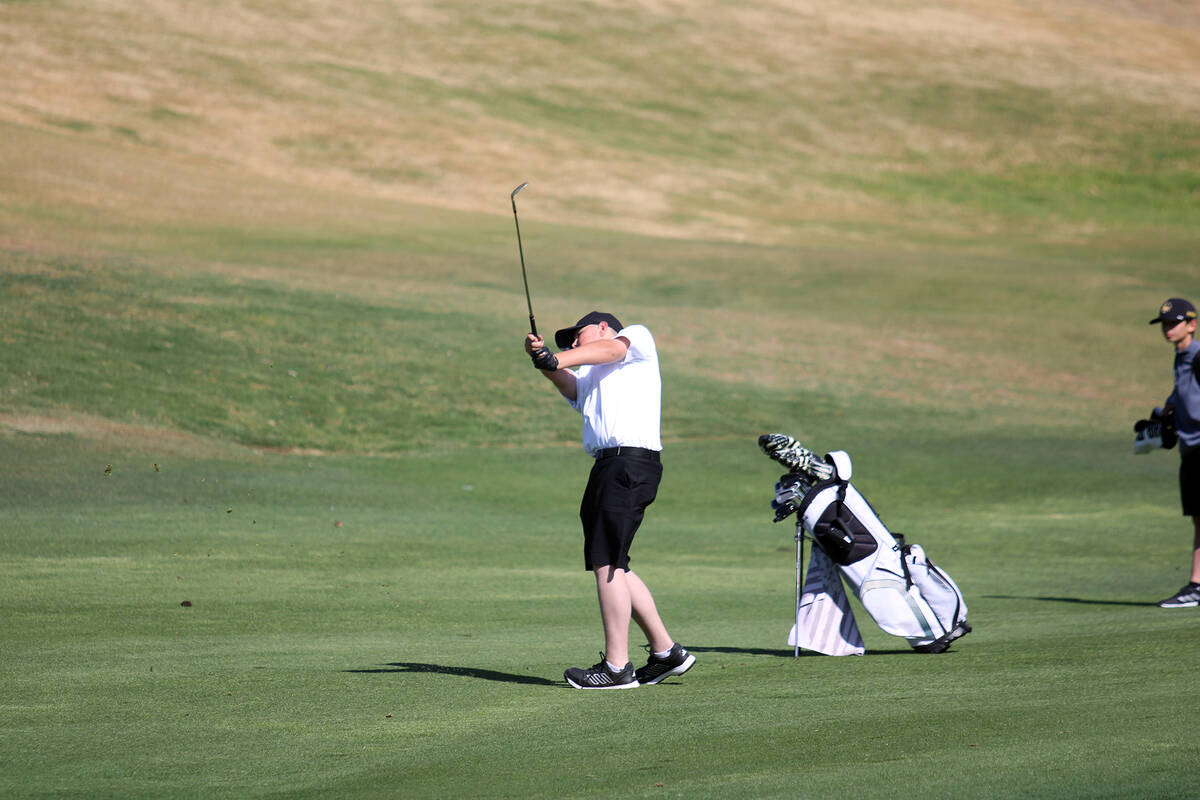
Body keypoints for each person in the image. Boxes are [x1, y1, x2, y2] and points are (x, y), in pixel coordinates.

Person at [524, 311, 695, 688]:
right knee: (615, 562)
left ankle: (617, 668)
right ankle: (667, 653)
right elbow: (570, 386)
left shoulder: (634, 338)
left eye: (577, 335)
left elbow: (611, 351)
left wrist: (558, 356)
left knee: (607, 564)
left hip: (627, 463)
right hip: (610, 467)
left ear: (602, 327)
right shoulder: (591, 375)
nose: (573, 344)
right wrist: (545, 362)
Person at [1147, 297, 1200, 608]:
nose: (1168, 328)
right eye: (1165, 324)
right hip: (1191, 448)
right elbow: (1183, 393)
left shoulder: (1197, 356)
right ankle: (1197, 585)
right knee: (1198, 519)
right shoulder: (1181, 358)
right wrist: (1165, 412)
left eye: (1174, 323)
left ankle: (1196, 585)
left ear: (1191, 325)